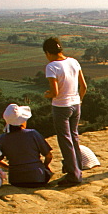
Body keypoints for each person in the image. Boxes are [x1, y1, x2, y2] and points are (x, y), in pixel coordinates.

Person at [43, 37, 87, 187]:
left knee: (65, 140)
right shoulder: (74, 61)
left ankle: (73, 176)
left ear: (48, 52)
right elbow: (84, 86)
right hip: (76, 104)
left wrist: (47, 94)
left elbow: (55, 92)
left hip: (61, 106)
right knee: (74, 137)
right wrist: (78, 100)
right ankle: (77, 168)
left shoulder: (52, 66)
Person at [0, 103, 52, 187]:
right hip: (38, 178)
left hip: (16, 180)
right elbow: (48, 155)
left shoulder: (2, 138)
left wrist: (10, 168)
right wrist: (45, 165)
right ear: (22, 121)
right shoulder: (33, 133)